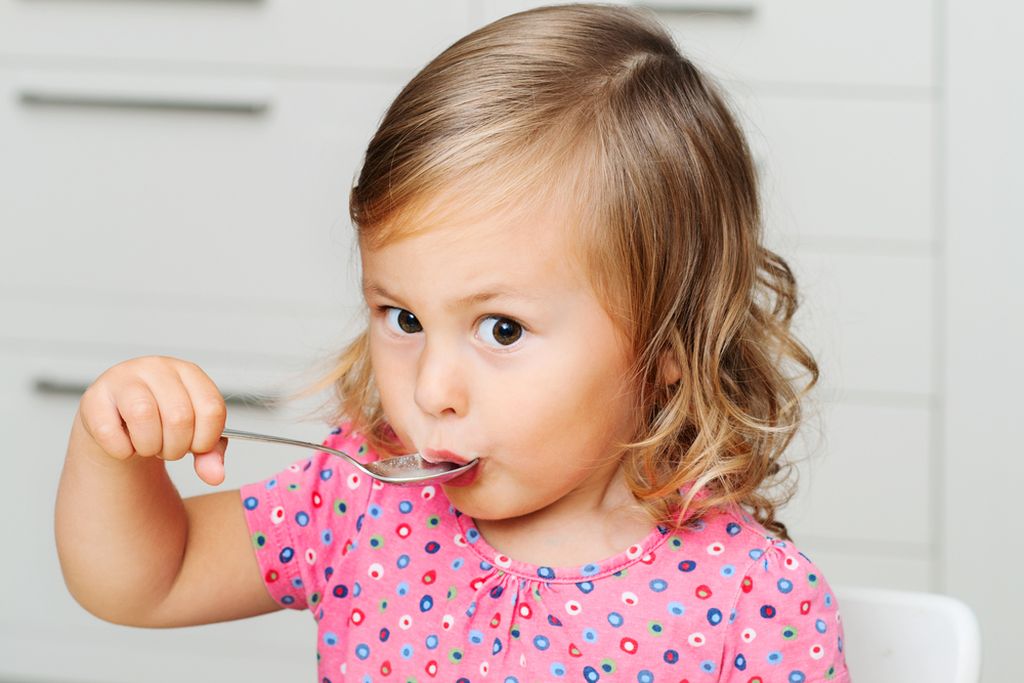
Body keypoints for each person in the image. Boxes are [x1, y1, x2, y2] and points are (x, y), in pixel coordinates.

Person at [55, 4, 850, 681]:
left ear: (670, 340)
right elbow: (149, 580)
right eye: (403, 318)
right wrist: (111, 445)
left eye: (501, 329)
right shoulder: (359, 501)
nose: (431, 387)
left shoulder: (753, 602)